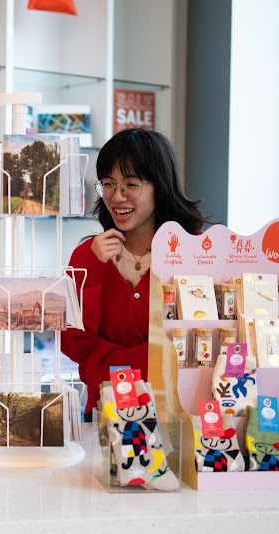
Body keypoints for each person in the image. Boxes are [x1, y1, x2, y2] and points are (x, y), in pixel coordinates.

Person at [61, 128, 207, 418]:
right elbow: (73, 347)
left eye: (131, 184)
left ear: (160, 186)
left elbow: (191, 349)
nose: (117, 196)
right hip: (103, 418)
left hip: (176, 419)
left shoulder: (197, 252)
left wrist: (104, 364)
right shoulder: (86, 255)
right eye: (108, 184)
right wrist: (92, 267)